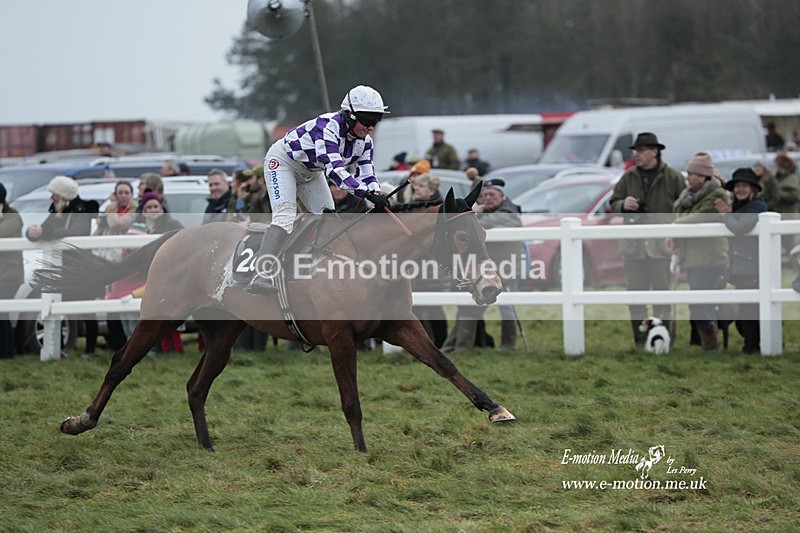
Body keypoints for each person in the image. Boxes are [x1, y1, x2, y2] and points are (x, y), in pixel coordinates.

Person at [247, 85, 390, 295]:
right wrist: (366, 193)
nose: (370, 127)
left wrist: (377, 194)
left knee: (328, 219)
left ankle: (312, 266)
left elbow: (367, 175)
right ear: (349, 115)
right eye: (366, 120)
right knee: (285, 216)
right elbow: (335, 172)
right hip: (283, 163)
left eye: (375, 121)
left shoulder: (365, 143)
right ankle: (261, 273)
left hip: (311, 171)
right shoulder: (327, 127)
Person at [609, 132, 686, 348]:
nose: (636, 154)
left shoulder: (673, 177)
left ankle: (664, 339)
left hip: (661, 247)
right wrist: (623, 205)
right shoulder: (628, 176)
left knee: (663, 295)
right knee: (635, 296)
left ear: (655, 152)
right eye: (635, 150)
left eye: (641, 150)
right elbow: (613, 203)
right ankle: (640, 340)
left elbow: (684, 207)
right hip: (634, 248)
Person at [443, 179, 522, 352]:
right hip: (490, 269)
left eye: (492, 194)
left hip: (507, 268)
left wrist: (474, 218)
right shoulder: (489, 211)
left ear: (502, 195)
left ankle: (509, 343)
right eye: (485, 195)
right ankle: (457, 345)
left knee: (506, 307)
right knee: (471, 307)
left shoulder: (510, 211)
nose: (488, 198)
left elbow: (484, 225)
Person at [26, 176, 100, 359]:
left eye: (54, 194)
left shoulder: (81, 209)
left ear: (64, 195)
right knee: (57, 308)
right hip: (62, 268)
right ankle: (58, 349)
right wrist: (33, 233)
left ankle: (90, 350)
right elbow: (45, 228)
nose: (52, 198)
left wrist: (46, 233)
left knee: (87, 311)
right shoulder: (57, 209)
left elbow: (76, 232)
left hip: (82, 269)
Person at [672, 152, 729, 350]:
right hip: (693, 258)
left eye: (692, 174)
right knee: (699, 302)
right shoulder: (689, 196)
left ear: (703, 176)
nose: (688, 178)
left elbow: (701, 217)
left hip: (711, 258)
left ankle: (710, 342)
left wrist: (674, 224)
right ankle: (707, 341)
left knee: (702, 302)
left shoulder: (717, 195)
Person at [714, 168, 768, 354]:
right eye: (737, 186)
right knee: (746, 309)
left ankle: (752, 347)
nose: (740, 189)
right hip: (740, 266)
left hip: (752, 267)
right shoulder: (738, 208)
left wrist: (725, 215)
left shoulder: (757, 207)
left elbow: (739, 228)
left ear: (753, 189)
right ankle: (752, 345)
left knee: (751, 310)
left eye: (744, 185)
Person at [0, 183, 23, 358]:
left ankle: (6, 351)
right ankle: (7, 350)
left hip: (9, 274)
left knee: (3, 311)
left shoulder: (13, 216)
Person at [772, 153, 800, 253]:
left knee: (789, 244)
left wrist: (778, 193)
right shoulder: (778, 178)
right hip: (780, 215)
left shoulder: (791, 179)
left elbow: (795, 196)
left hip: (789, 216)